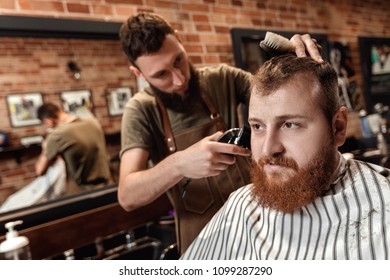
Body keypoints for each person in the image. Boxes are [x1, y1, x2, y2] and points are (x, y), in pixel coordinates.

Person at [117, 12, 324, 254]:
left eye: (178, 61)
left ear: (180, 40)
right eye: (161, 75)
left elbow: (282, 99)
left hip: (262, 228)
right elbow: (128, 195)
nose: (179, 79)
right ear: (138, 74)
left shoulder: (222, 79)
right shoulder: (140, 111)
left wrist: (295, 64)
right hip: (205, 245)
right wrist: (180, 164)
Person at [181, 54, 390, 260]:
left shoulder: (382, 209)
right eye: (257, 126)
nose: (267, 149)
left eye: (290, 124)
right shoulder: (242, 204)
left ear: (338, 127)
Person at [35, 103, 111, 194]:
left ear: (48, 122)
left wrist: (45, 148)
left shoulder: (57, 134)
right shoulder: (92, 121)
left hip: (83, 193)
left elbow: (40, 171)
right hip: (108, 185)